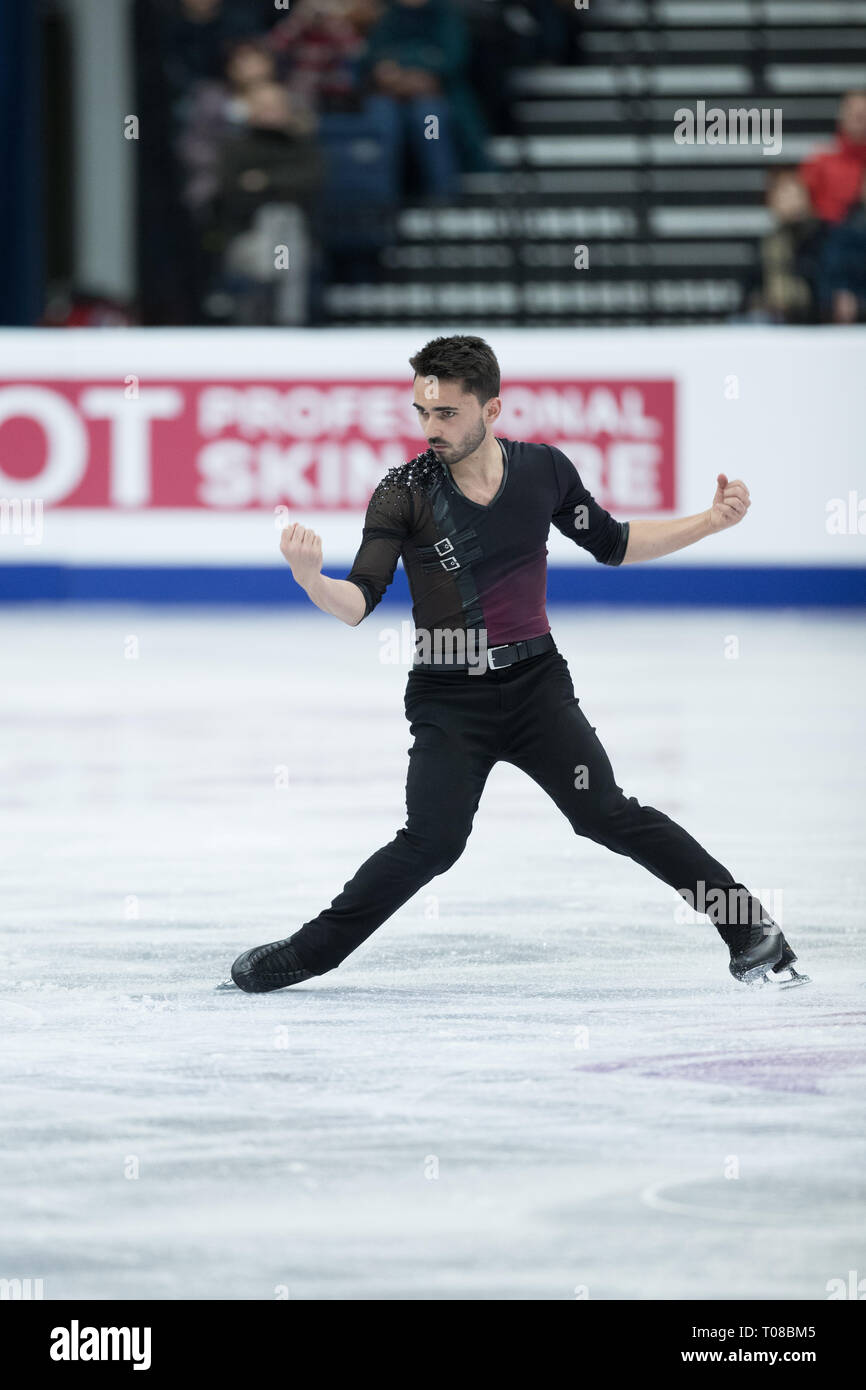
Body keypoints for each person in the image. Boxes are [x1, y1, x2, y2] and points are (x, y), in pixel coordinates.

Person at [227, 335, 807, 994]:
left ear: (491, 410)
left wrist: (708, 523)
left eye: (447, 412)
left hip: (536, 688)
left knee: (606, 813)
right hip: (450, 697)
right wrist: (311, 580)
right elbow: (358, 601)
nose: (432, 427)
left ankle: (750, 929)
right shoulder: (403, 493)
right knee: (432, 843)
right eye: (423, 411)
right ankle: (307, 955)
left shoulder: (545, 472)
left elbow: (613, 543)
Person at [799, 89, 866, 224]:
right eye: (853, 112)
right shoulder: (820, 161)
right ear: (842, 115)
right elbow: (802, 210)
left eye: (863, 114)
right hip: (829, 237)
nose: (858, 118)